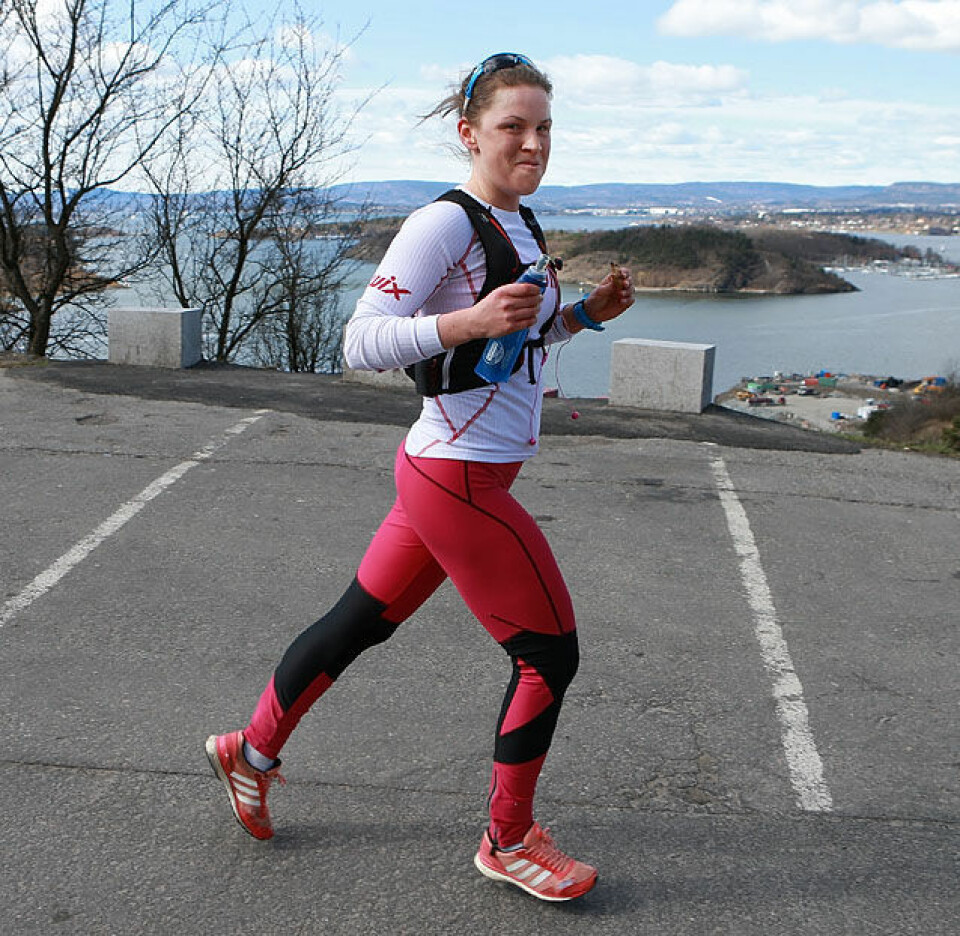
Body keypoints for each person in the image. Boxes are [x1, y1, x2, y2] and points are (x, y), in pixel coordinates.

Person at [206, 51, 635, 903]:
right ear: (470, 133)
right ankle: (508, 841)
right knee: (548, 654)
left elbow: (512, 345)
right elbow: (361, 341)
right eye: (513, 126)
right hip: (458, 478)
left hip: (448, 473)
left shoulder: (520, 221)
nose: (533, 143)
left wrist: (582, 316)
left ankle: (248, 752)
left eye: (545, 127)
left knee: (355, 624)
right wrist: (466, 320)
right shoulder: (444, 223)